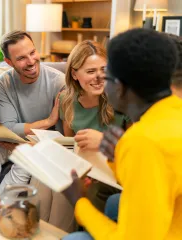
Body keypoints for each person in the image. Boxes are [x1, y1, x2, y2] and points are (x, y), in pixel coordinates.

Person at [63, 28, 182, 239]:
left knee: (72, 238)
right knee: (112, 205)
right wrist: (118, 160)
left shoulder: (143, 140)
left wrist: (78, 201)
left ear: (119, 86)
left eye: (106, 75)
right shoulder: (173, 115)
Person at [0, 30, 65, 196]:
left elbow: (62, 134)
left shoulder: (58, 82)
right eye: (21, 58)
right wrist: (47, 122)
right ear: (9, 62)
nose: (31, 61)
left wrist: (32, 139)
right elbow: (9, 127)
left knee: (24, 158)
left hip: (45, 144)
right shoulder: (4, 83)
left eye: (32, 53)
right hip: (16, 140)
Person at [59, 40, 129, 212]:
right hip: (82, 169)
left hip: (115, 172)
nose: (99, 78)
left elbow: (139, 150)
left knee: (91, 191)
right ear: (75, 74)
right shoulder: (66, 100)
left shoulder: (124, 101)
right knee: (48, 183)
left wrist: (104, 141)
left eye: (104, 70)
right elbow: (69, 143)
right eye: (91, 71)